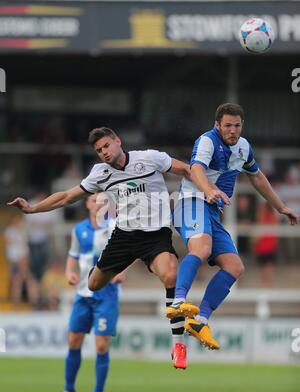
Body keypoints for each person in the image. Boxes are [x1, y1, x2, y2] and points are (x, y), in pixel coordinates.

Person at [7, 127, 192, 369]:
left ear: (118, 141)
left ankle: (178, 344)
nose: (104, 152)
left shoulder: (149, 158)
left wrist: (207, 190)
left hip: (155, 236)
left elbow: (187, 170)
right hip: (124, 237)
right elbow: (66, 196)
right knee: (93, 284)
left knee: (170, 274)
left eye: (106, 146)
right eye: (98, 150)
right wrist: (32, 209)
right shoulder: (100, 173)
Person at [168, 103, 298, 350]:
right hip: (192, 202)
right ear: (217, 124)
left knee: (235, 266)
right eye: (227, 125)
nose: (232, 130)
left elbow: (257, 177)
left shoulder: (243, 147)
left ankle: (201, 321)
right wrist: (209, 190)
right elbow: (195, 169)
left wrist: (280, 207)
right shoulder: (207, 141)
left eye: (237, 126)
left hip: (213, 211)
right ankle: (178, 301)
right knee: (202, 248)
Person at [52, 193, 122, 392]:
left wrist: (122, 272)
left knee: (101, 346)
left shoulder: (115, 228)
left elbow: (130, 253)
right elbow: (73, 256)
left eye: (104, 201)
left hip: (106, 294)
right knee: (73, 340)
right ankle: (68, 389)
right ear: (88, 204)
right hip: (82, 293)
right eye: (95, 201)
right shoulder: (79, 229)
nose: (99, 204)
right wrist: (69, 273)